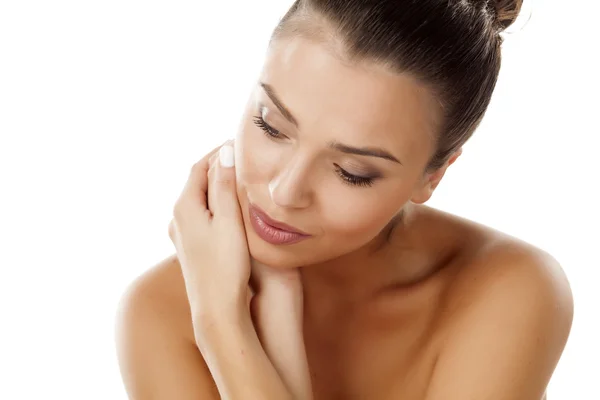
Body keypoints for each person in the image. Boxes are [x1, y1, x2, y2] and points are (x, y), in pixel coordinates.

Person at [115, 1, 573, 399]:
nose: (284, 192)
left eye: (352, 172)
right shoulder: (160, 313)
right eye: (271, 125)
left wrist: (223, 326)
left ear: (433, 175)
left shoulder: (505, 289)